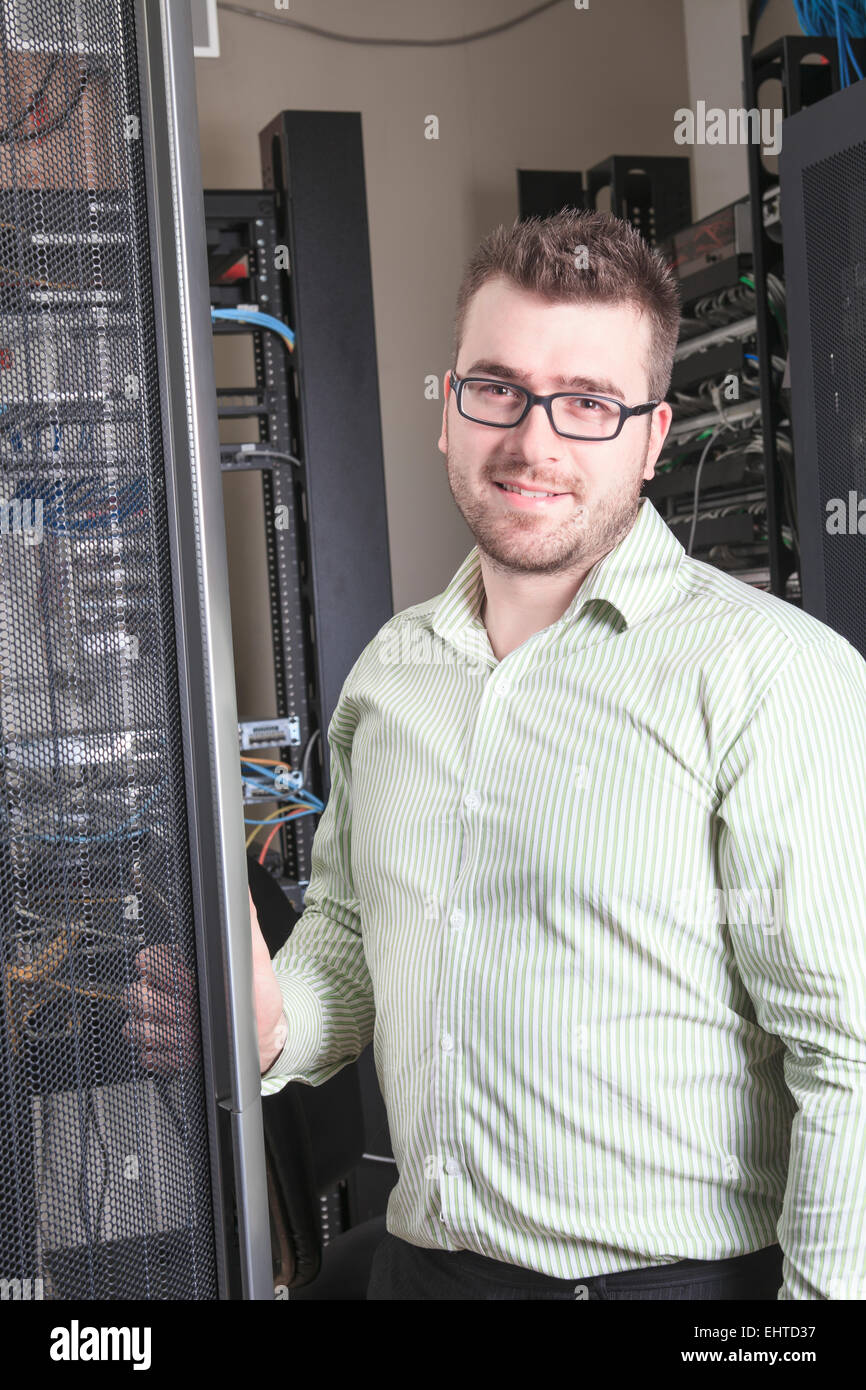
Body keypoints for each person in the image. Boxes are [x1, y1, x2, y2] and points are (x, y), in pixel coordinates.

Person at [128, 209, 866, 1301]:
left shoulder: (769, 677)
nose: (533, 442)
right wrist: (271, 1020)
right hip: (422, 1272)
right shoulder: (390, 675)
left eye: (587, 403)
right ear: (448, 408)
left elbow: (846, 1060)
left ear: (652, 435)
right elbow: (347, 939)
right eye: (498, 389)